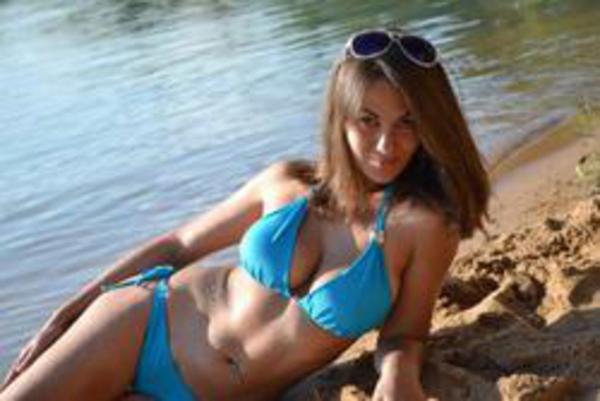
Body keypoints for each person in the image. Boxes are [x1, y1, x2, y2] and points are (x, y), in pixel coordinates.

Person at [1, 27, 489, 401]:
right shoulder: (286, 182)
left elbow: (405, 333)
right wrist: (66, 315)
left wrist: (398, 374)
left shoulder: (423, 225)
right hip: (140, 325)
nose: (386, 145)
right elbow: (178, 245)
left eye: (407, 123)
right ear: (341, 118)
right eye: (368, 120)